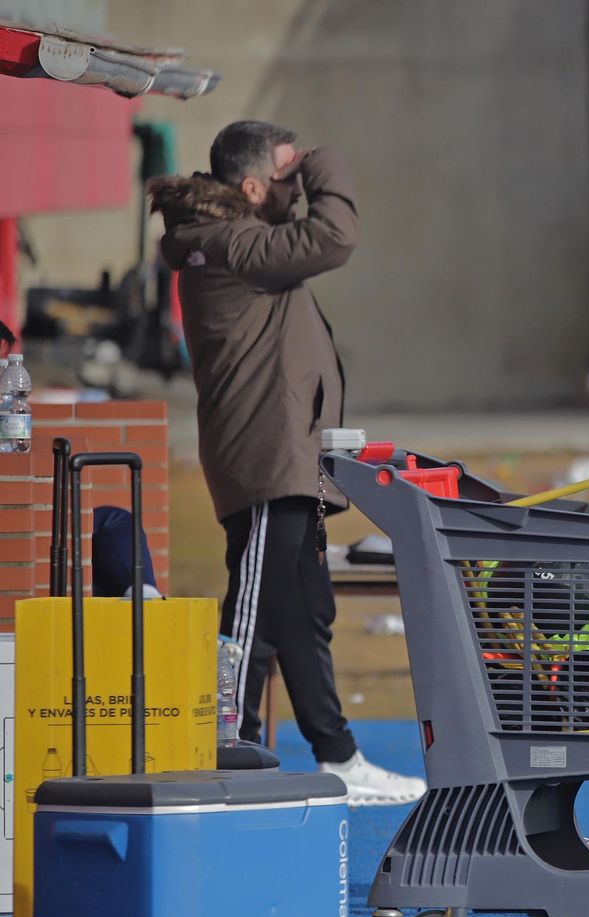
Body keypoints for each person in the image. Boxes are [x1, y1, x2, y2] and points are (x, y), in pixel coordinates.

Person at [148, 121, 424, 806]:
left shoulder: (235, 240)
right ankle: (219, 739)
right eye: (286, 175)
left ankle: (338, 755)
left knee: (302, 608)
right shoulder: (231, 244)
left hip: (287, 453)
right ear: (250, 187)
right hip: (267, 453)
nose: (297, 186)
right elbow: (333, 236)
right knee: (253, 607)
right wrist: (325, 157)